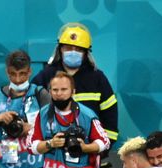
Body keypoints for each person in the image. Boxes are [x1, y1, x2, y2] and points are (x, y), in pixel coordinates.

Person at [31, 22, 119, 152]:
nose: (73, 52)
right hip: (53, 152)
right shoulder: (46, 75)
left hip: (89, 151)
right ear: (60, 49)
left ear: (86, 52)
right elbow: (31, 110)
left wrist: (100, 149)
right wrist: (46, 144)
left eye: (78, 49)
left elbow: (110, 115)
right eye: (68, 48)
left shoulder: (97, 78)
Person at [0, 49, 49, 168]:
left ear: (29, 72)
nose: (18, 79)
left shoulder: (40, 94)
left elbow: (55, 123)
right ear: (7, 72)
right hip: (5, 167)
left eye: (22, 74)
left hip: (38, 166)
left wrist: (32, 128)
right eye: (13, 74)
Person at [31, 72, 110, 168]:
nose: (59, 93)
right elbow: (32, 146)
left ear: (73, 92)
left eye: (64, 89)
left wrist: (85, 148)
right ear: (49, 92)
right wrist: (50, 143)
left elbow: (104, 142)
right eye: (55, 90)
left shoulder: (87, 115)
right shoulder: (42, 114)